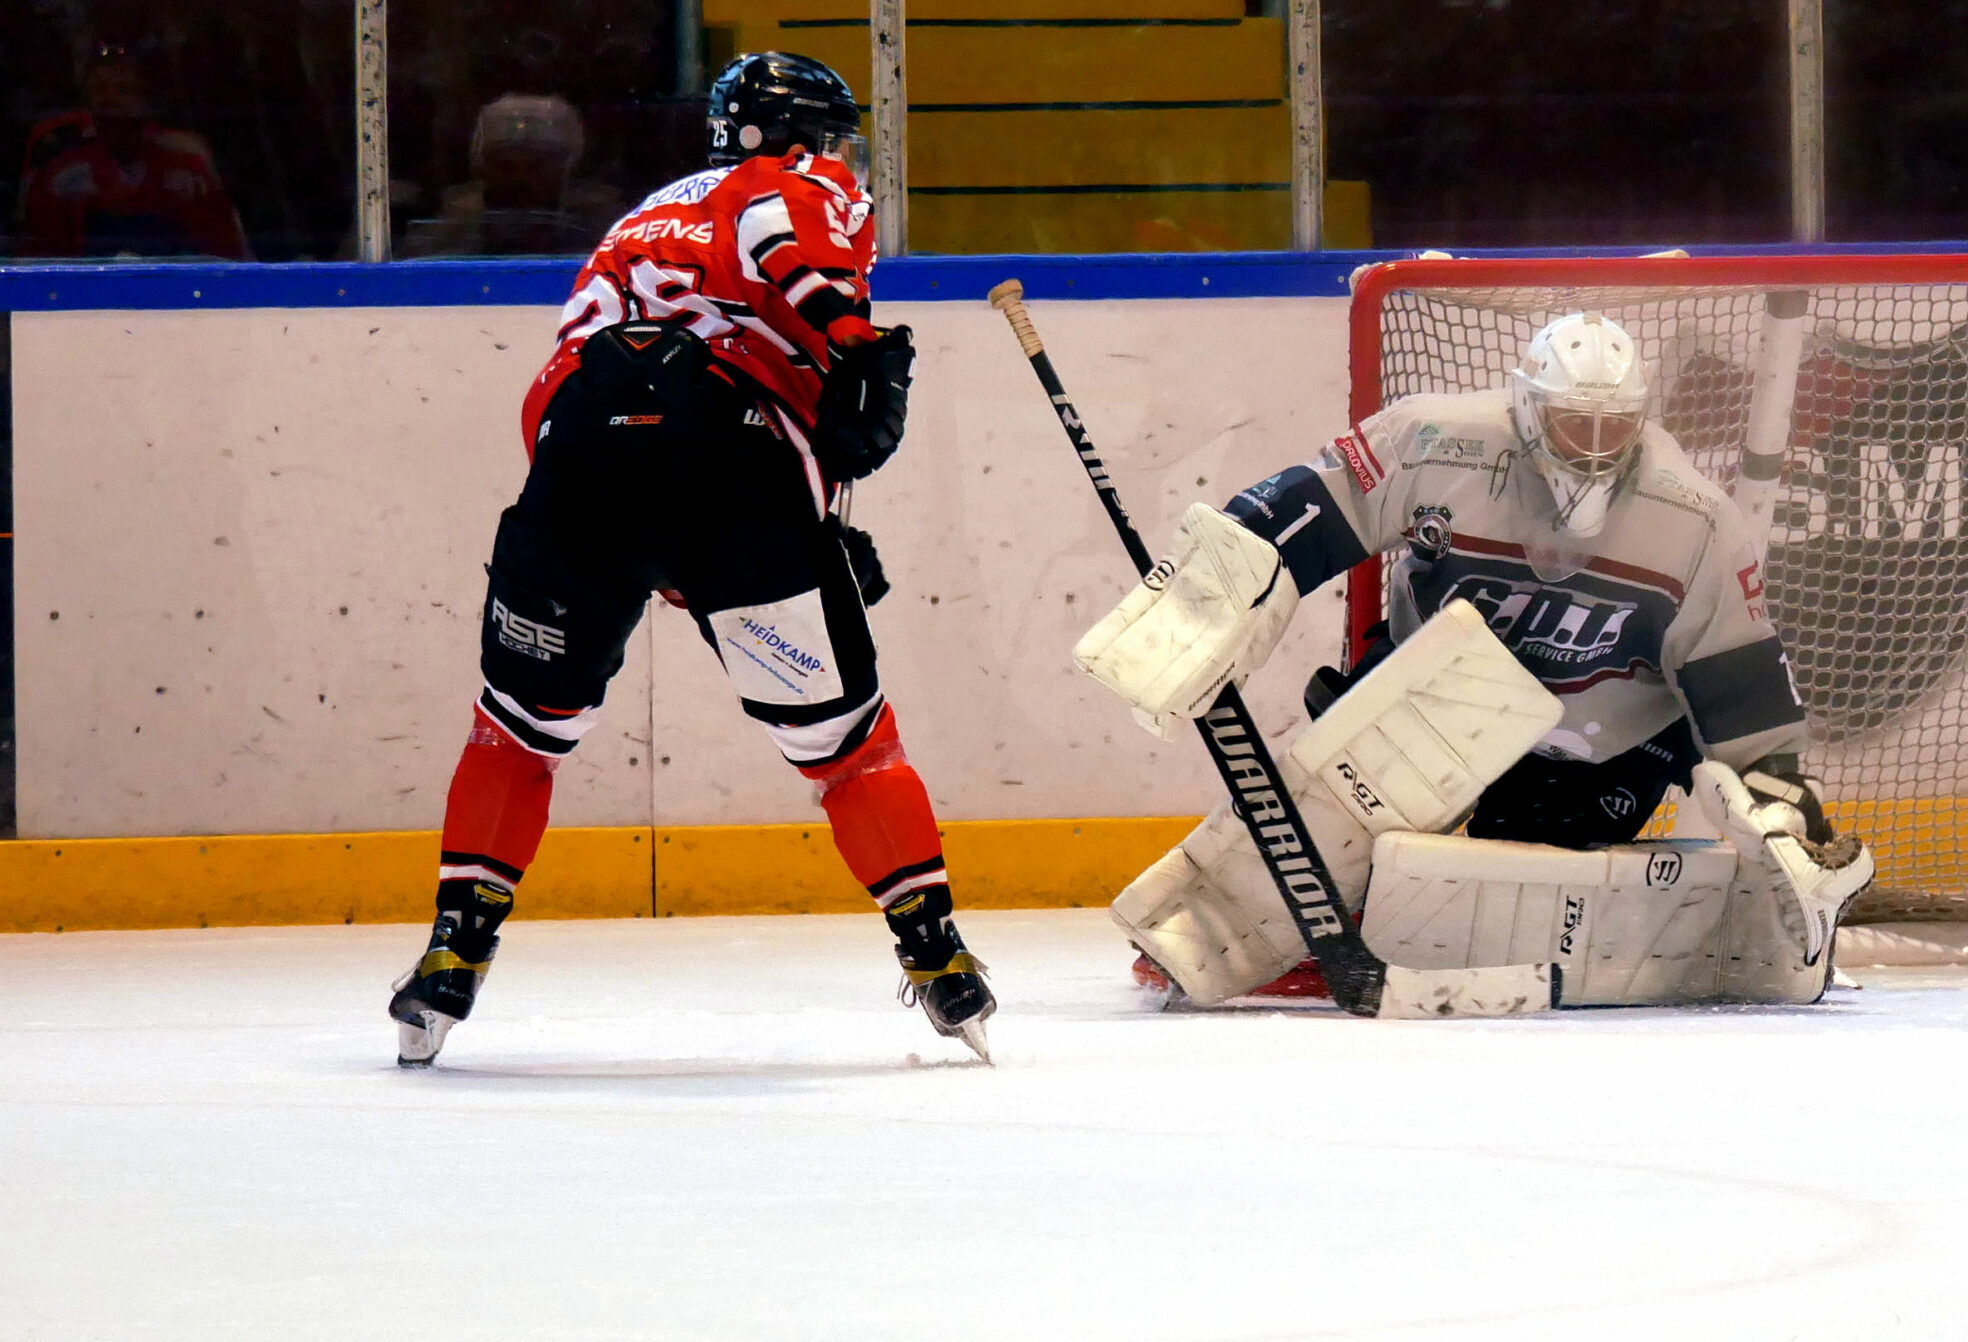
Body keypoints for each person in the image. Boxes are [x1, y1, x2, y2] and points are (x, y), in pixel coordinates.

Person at [389, 52, 994, 1065]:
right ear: (784, 133)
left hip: (580, 465)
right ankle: (937, 959)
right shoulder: (800, 184)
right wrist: (849, 334)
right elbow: (772, 231)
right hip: (731, 468)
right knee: (852, 751)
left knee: (516, 732)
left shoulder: (639, 217)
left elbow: (559, 390)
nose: (843, 155)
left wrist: (627, 522)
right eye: (828, 134)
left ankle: (452, 956)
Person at [1072, 313, 1874, 1008]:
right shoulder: (1432, 442)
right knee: (1344, 806)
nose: (1594, 448)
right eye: (1572, 423)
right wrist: (1219, 591)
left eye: (1614, 425)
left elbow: (1742, 688)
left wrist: (1780, 800)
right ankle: (1215, 924)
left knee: (1517, 890)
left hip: (1609, 737)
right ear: (1528, 407)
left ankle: (1409, 910)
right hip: (1437, 694)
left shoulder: (1695, 519)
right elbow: (1303, 508)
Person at [17, 43, 249, 260]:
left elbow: (224, 257)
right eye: (100, 89)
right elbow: (40, 263)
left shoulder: (186, 165)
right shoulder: (61, 174)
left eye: (123, 90)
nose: (110, 99)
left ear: (146, 99)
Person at [396, 94, 624, 258]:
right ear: (482, 169)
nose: (520, 178)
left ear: (565, 169)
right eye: (504, 165)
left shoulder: (608, 238)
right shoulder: (441, 238)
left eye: (536, 165)